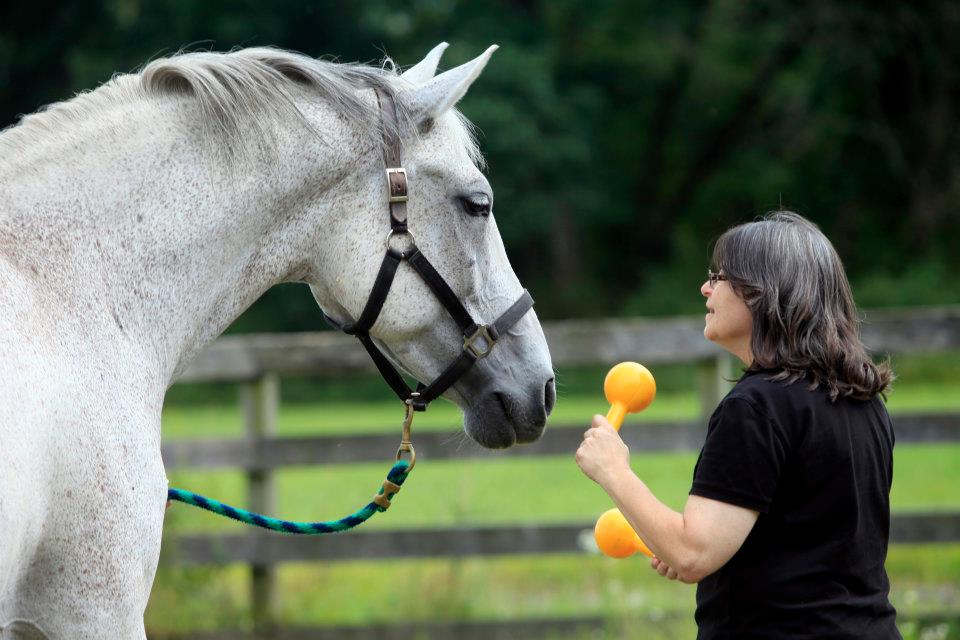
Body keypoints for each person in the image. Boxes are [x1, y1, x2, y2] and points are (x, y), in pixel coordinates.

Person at [576, 211, 901, 639]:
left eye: (719, 276)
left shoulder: (755, 406)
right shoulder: (864, 402)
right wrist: (681, 544)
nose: (705, 287)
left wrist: (613, 470)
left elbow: (692, 553)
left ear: (762, 291)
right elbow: (805, 541)